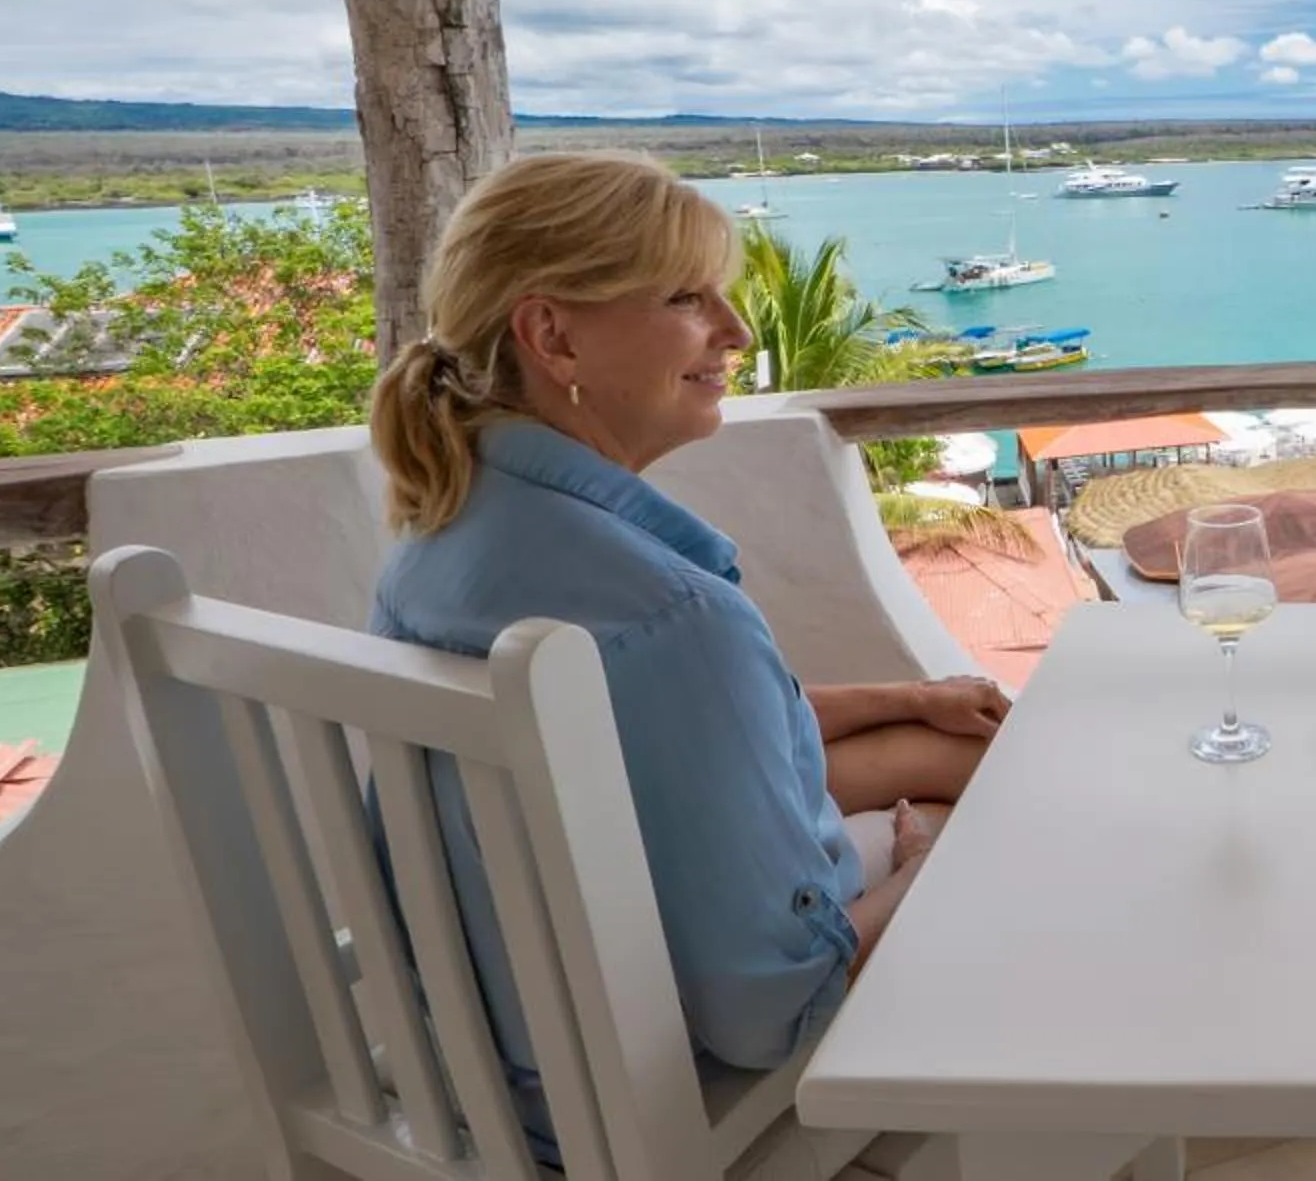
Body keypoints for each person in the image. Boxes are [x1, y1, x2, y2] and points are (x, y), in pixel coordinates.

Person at [367, 149, 1009, 1155]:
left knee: (956, 757)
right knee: (1009, 831)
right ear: (552, 335)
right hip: (647, 1103)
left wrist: (903, 698)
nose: (737, 331)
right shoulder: (670, 612)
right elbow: (773, 1016)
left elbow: (652, 733)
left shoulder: (443, 536)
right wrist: (932, 869)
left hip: (498, 1056)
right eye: (686, 298)